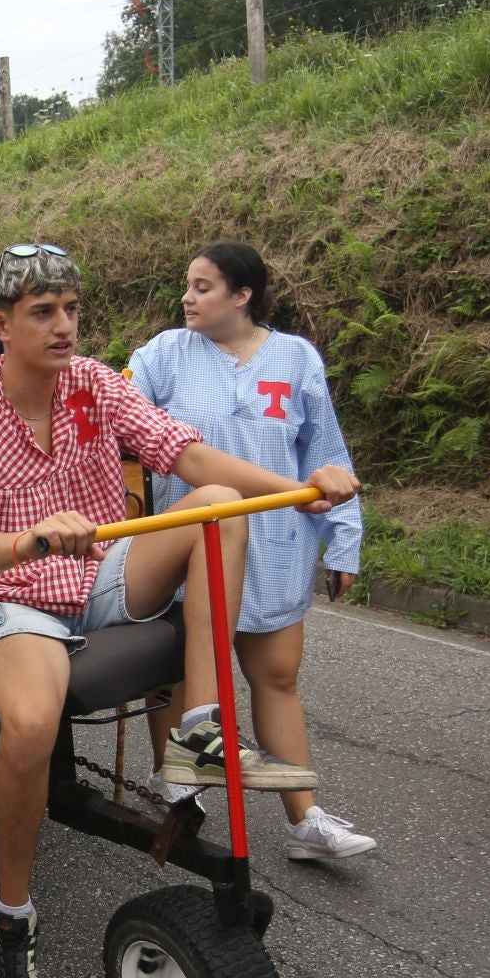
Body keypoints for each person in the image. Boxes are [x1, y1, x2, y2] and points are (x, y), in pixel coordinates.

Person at [0, 242, 357, 978]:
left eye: (72, 309)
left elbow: (181, 452)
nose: (65, 326)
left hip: (89, 581)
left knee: (215, 502)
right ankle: (11, 917)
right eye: (44, 313)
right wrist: (32, 539)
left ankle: (195, 736)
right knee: (36, 715)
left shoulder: (94, 387)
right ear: (1, 326)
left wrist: (299, 489)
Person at [128, 243, 376, 861]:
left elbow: (326, 452)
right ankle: (176, 782)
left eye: (204, 287)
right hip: (190, 542)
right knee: (176, 672)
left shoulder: (295, 359)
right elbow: (122, 421)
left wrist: (344, 538)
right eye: (187, 284)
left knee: (277, 676)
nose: (188, 297)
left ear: (242, 296)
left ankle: (306, 820)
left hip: (275, 544)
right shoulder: (162, 354)